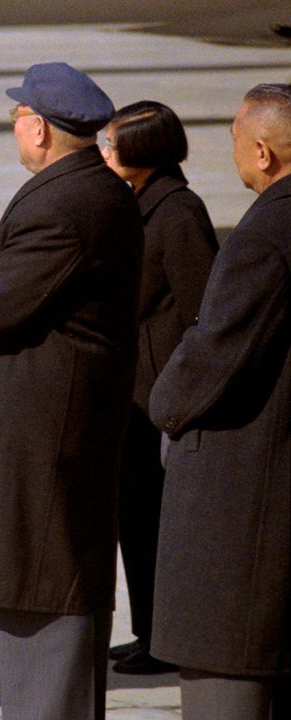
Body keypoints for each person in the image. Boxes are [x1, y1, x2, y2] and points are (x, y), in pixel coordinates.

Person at [0, 62, 142, 719]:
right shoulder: (88, 190)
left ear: (40, 129)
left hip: (46, 444)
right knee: (35, 595)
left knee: (46, 603)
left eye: (19, 115)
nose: (15, 123)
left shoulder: (64, 204)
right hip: (54, 436)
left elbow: (5, 300)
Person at [147, 82, 291, 720]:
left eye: (235, 140)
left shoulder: (266, 233)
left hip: (243, 499)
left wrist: (165, 406)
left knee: (224, 678)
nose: (229, 152)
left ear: (263, 153)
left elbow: (215, 348)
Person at [100, 100, 218, 676]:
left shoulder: (178, 213)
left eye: (111, 143)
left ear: (142, 153)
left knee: (156, 522)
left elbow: (206, 312)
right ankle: (149, 630)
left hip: (160, 397)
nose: (103, 150)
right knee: (135, 519)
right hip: (133, 395)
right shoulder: (139, 203)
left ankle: (165, 638)